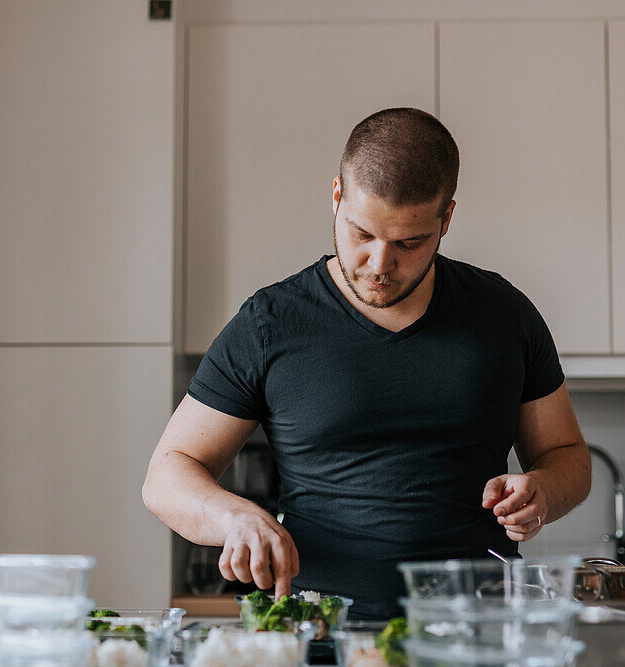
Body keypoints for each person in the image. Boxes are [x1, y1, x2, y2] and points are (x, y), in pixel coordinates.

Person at [142, 107, 591, 620]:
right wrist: (234, 516)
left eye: (408, 243)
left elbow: (567, 454)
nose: (379, 265)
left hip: (476, 636)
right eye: (361, 234)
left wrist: (544, 491)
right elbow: (166, 476)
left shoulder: (504, 315)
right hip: (318, 633)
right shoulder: (272, 323)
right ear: (337, 197)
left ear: (446, 219)